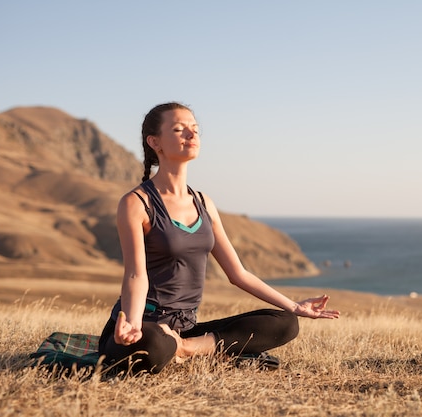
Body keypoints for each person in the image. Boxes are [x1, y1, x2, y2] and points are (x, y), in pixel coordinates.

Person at [98, 102, 339, 374]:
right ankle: (183, 348)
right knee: (154, 344)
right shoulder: (137, 203)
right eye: (179, 130)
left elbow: (238, 274)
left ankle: (187, 348)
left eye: (195, 130)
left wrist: (295, 306)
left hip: (187, 330)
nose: (191, 135)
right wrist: (131, 323)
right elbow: (135, 275)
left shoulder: (203, 203)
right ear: (155, 142)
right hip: (145, 326)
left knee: (285, 322)